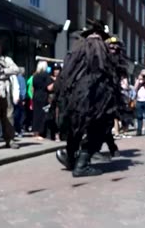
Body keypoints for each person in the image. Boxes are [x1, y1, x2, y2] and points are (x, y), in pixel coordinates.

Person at [54, 20, 126, 177]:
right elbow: (109, 75)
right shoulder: (101, 50)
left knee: (76, 128)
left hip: (76, 98)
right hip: (97, 98)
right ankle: (82, 165)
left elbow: (64, 76)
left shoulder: (76, 49)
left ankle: (72, 158)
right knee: (98, 129)